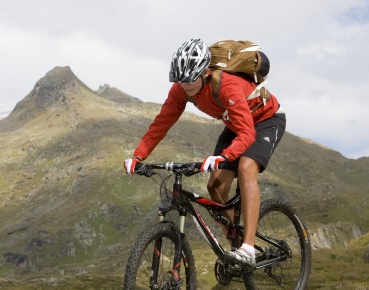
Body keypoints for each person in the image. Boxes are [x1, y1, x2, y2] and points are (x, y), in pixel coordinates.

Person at [122, 39, 286, 266]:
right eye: (180, 80)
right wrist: (138, 156)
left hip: (266, 120)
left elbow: (247, 134)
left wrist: (225, 156)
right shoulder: (180, 89)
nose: (186, 85)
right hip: (235, 123)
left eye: (190, 80)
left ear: (205, 72)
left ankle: (248, 247)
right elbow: (162, 122)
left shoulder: (227, 85)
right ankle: (236, 241)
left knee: (246, 167)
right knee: (215, 187)